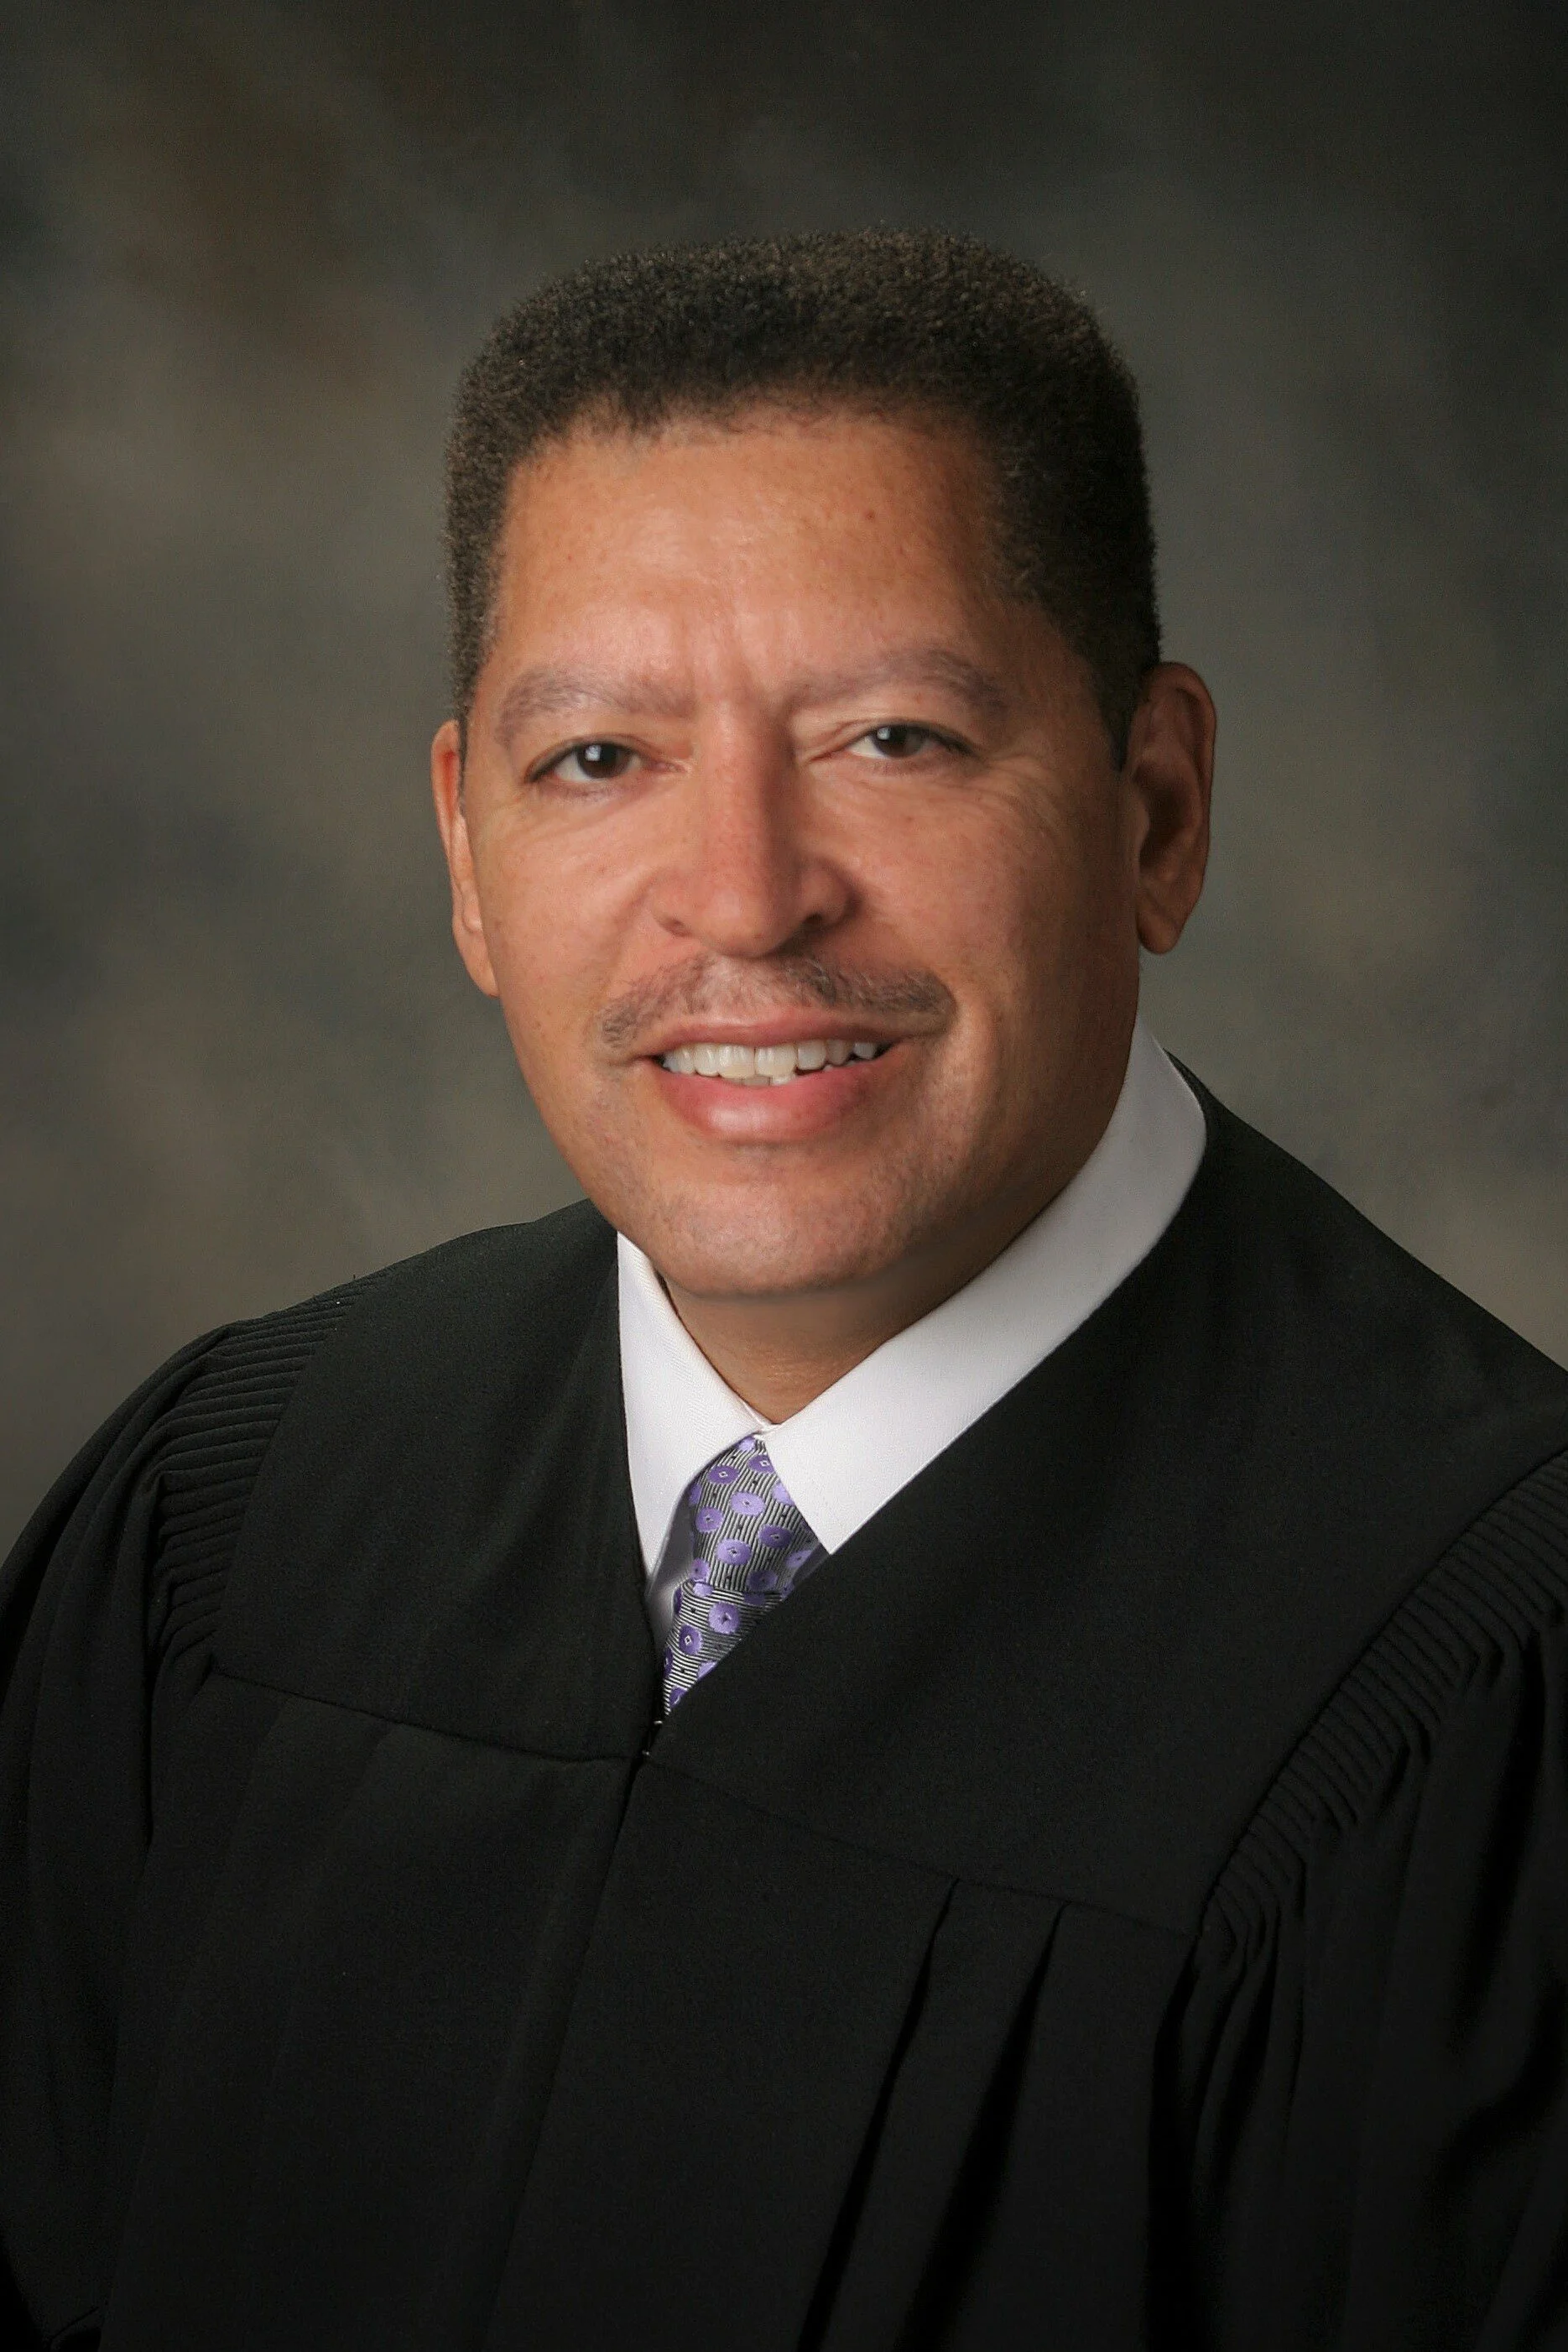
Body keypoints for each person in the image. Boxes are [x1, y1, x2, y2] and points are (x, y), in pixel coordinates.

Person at [3, 230, 1565, 2352]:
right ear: (467, 854)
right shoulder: (235, 1520)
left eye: (894, 738)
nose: (744, 900)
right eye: (599, 760)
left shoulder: (1483, 1716)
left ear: (1154, 810)